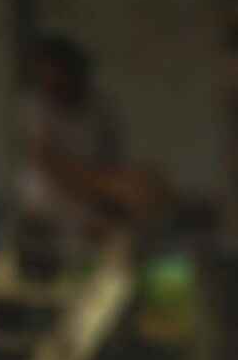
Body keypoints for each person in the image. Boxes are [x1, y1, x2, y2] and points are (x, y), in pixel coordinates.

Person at [14, 33, 171, 242]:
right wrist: (105, 188)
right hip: (46, 211)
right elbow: (50, 164)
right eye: (45, 78)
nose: (53, 85)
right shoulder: (34, 110)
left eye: (59, 77)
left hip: (92, 207)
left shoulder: (102, 108)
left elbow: (111, 158)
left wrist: (118, 193)